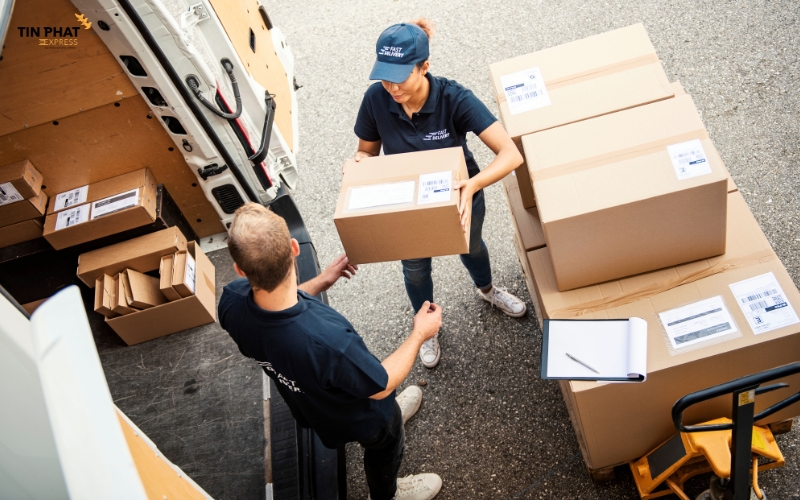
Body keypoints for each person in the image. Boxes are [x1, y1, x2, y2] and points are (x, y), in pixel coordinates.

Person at [218, 203, 444, 500]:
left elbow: (275, 305)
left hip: (314, 408)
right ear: (294, 248)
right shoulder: (328, 340)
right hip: (366, 414)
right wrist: (420, 333)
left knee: (379, 417)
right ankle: (388, 494)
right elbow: (381, 385)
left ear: (240, 269)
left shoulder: (231, 302)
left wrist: (322, 281)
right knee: (386, 442)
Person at [351, 19, 527, 369]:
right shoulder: (375, 99)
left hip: (460, 196)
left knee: (472, 248)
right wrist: (360, 162)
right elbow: (366, 151)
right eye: (384, 77)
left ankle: (488, 290)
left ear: (424, 66)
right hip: (408, 205)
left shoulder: (454, 98)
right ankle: (426, 328)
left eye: (400, 77)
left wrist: (473, 185)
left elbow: (511, 154)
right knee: (415, 269)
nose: (391, 87)